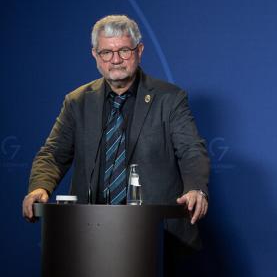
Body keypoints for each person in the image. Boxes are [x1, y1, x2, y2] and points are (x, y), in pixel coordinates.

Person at [21, 15, 210, 260]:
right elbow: (53, 154)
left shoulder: (170, 99)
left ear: (139, 50)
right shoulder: (77, 101)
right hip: (90, 236)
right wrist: (39, 187)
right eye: (106, 53)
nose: (116, 60)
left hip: (157, 237)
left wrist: (196, 188)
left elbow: (191, 150)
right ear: (95, 55)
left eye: (124, 50)